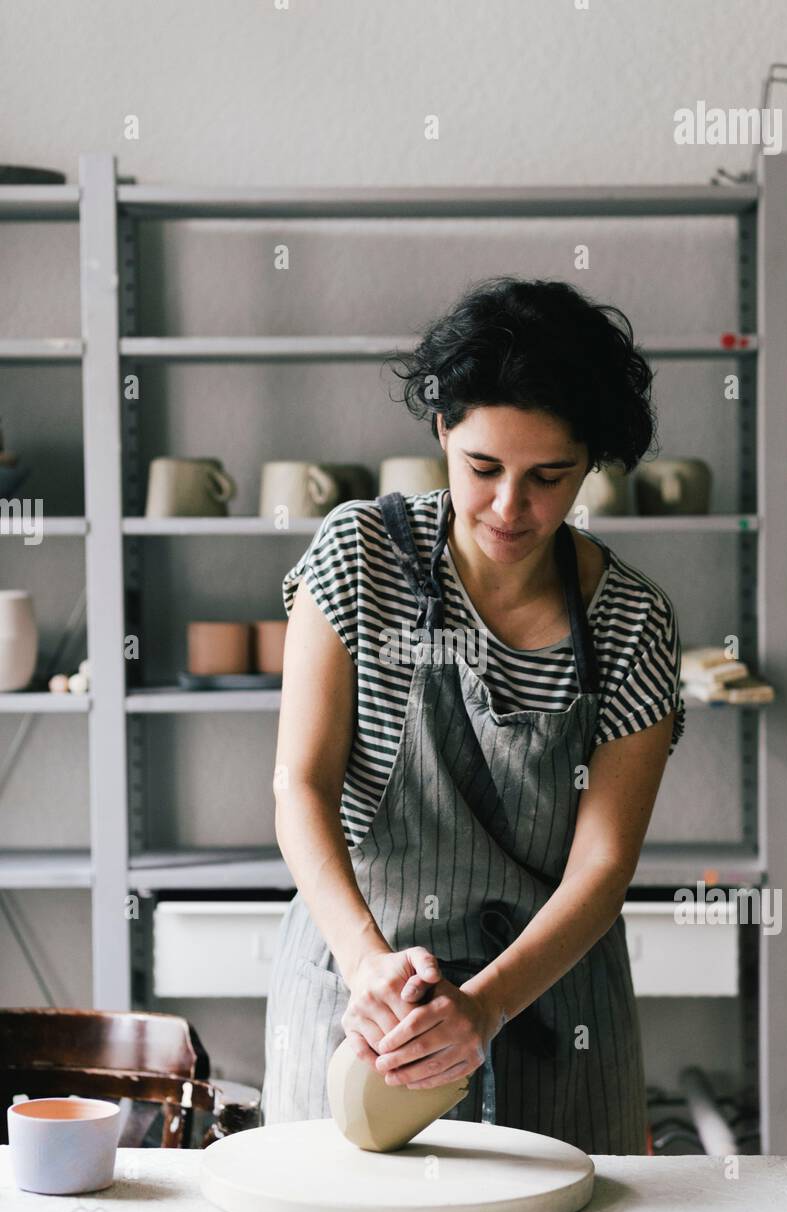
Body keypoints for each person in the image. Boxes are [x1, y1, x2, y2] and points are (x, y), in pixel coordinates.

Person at [262, 275, 685, 1154]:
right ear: (442, 429)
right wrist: (368, 964)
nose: (507, 507)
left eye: (548, 477)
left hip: (546, 1004)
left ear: (590, 464)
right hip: (361, 995)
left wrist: (485, 1005)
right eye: (483, 468)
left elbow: (603, 867)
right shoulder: (358, 555)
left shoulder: (633, 620)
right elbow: (299, 784)